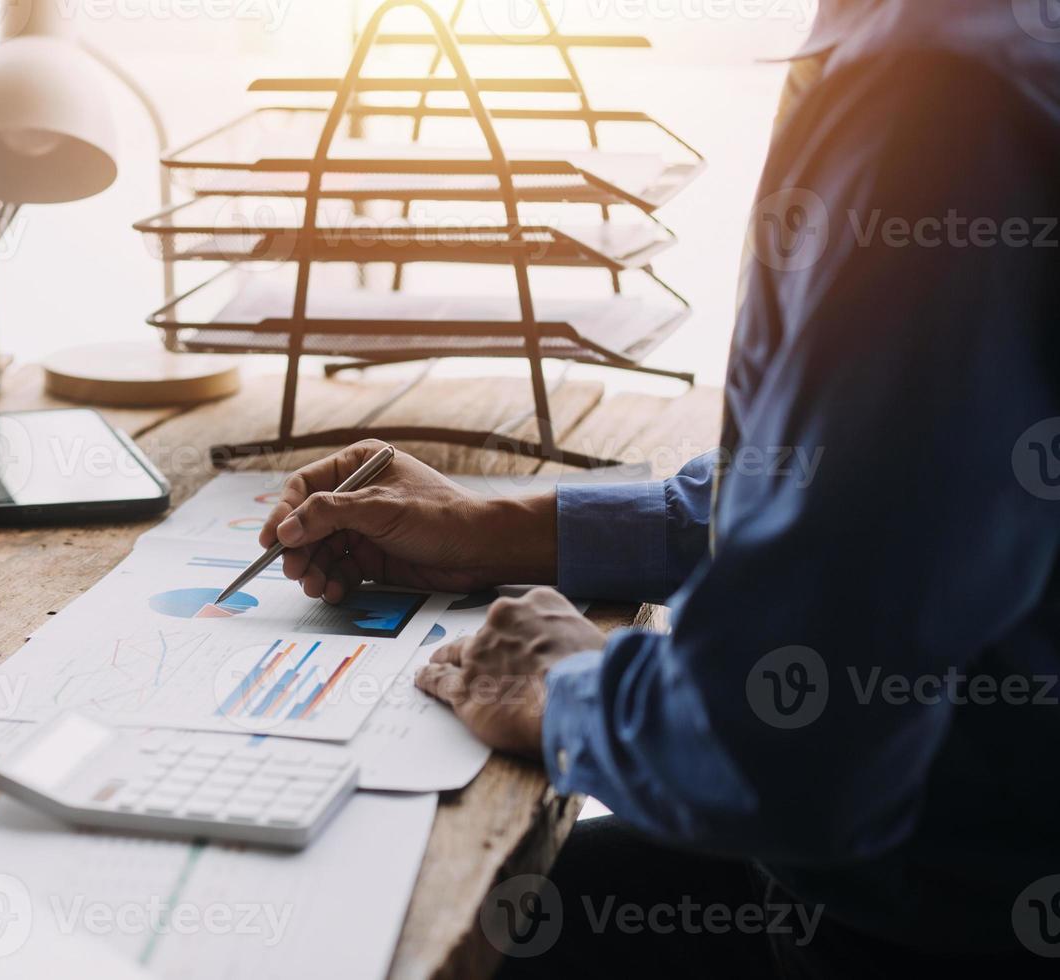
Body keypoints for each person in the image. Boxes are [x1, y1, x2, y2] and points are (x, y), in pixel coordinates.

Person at [259, 0, 1060, 974]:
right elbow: (862, 480)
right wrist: (491, 526)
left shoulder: (940, 94)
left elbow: (795, 753)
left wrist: (566, 689)